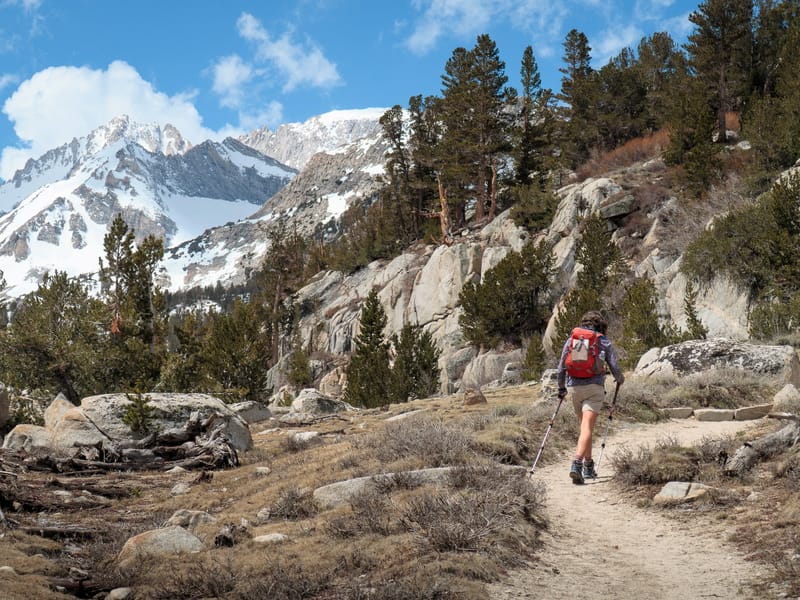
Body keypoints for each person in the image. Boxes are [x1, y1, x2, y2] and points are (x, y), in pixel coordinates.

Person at [556, 310, 624, 484]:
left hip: (575, 388)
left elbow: (561, 367)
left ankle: (588, 466)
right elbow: (614, 366)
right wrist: (619, 379)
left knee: (585, 428)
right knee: (587, 427)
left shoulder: (573, 339)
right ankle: (577, 463)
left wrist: (561, 388)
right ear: (601, 326)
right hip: (594, 388)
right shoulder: (603, 341)